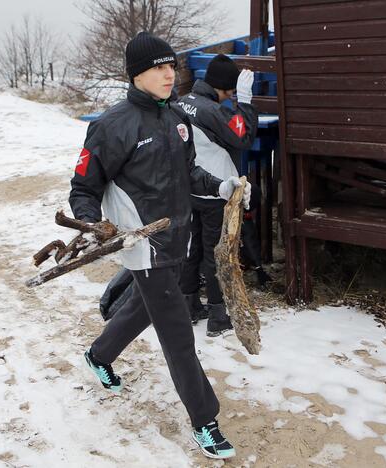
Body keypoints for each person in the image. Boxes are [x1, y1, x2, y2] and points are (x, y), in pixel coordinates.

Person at [69, 32, 250, 460]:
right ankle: (205, 420)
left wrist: (220, 186)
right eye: (159, 68)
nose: (170, 74)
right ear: (137, 74)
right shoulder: (112, 126)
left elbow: (189, 174)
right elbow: (83, 186)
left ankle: (99, 355)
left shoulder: (175, 120)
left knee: (143, 308)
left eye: (173, 67)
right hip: (141, 242)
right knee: (177, 334)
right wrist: (93, 224)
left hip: (178, 236)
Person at [177, 54, 269, 337]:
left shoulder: (181, 102)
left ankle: (190, 304)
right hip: (215, 189)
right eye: (230, 91)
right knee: (216, 251)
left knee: (193, 248)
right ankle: (217, 313)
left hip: (189, 186)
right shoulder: (213, 112)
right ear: (225, 88)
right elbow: (243, 137)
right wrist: (245, 102)